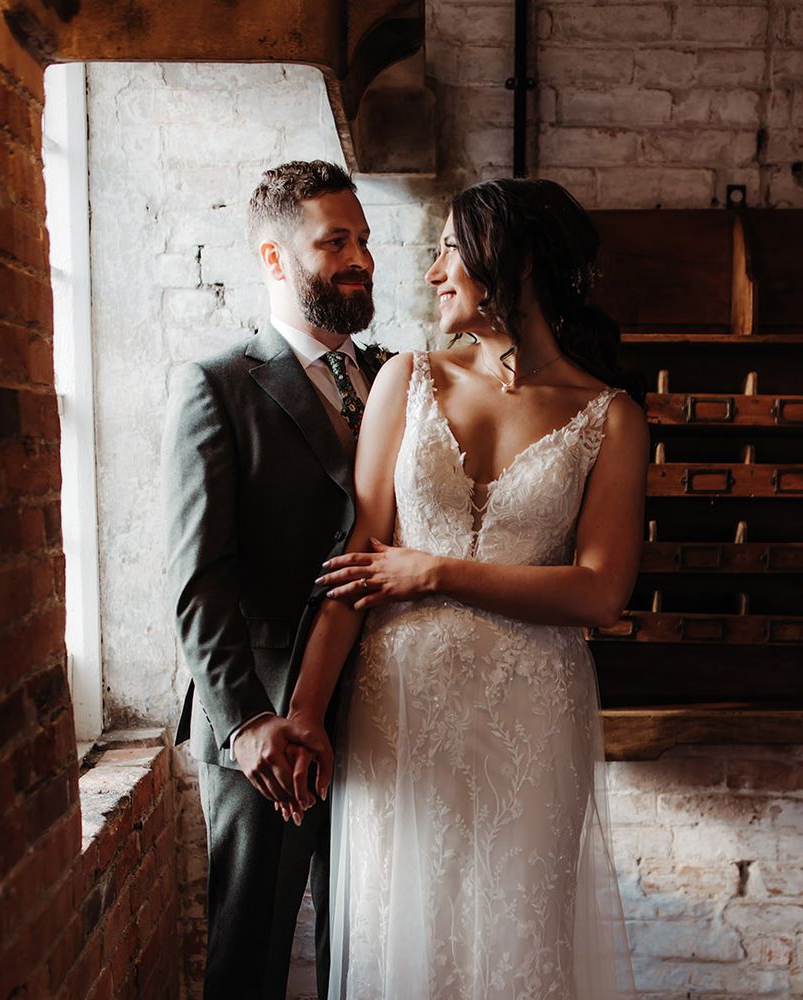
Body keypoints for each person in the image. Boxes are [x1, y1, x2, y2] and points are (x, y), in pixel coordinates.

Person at [280, 178, 648, 999]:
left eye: (450, 249)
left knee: (520, 939)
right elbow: (355, 567)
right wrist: (305, 712)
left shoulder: (611, 417)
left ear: (509, 263)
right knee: (406, 938)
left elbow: (599, 594)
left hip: (533, 710)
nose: (434, 271)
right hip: (399, 703)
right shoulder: (405, 379)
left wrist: (435, 570)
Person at [161, 160, 387, 1000]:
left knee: (362, 941)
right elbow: (196, 577)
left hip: (381, 710)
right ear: (272, 258)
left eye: (362, 239)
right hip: (266, 730)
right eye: (335, 242)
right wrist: (248, 720)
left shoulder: (395, 374)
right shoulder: (218, 386)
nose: (360, 258)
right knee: (250, 955)